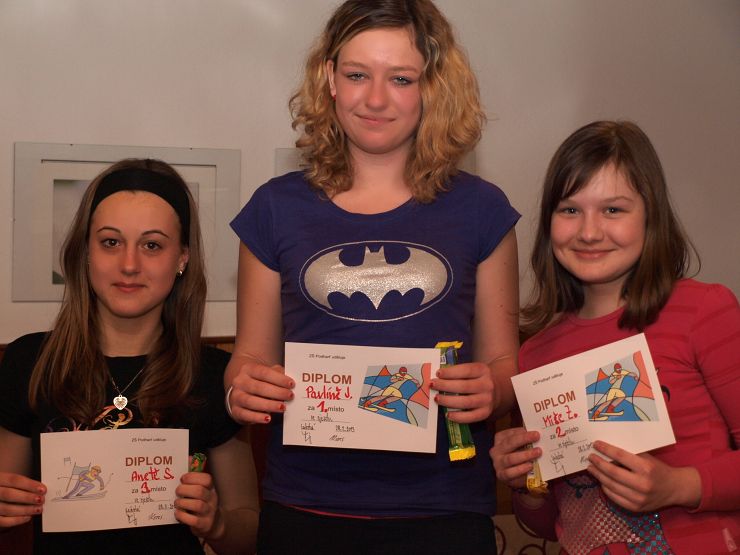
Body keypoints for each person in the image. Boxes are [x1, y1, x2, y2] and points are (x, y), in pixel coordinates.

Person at [225, 1, 520, 553]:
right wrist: (242, 387)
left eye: (401, 78)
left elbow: (504, 363)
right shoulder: (275, 208)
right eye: (357, 75)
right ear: (329, 79)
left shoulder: (482, 209)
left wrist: (493, 388)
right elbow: (248, 358)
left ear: (432, 86)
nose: (376, 99)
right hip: (305, 505)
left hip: (443, 507)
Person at [491, 120, 740, 554]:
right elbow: (554, 523)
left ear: (650, 216)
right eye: (570, 210)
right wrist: (526, 483)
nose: (589, 232)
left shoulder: (704, 311)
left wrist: (680, 485)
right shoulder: (537, 355)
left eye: (613, 210)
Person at [0, 159, 259, 554]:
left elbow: (249, 532)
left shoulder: (216, 375)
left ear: (182, 258)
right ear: (85, 251)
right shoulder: (30, 362)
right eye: (110, 242)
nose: (129, 265)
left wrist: (217, 523)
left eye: (152, 245)